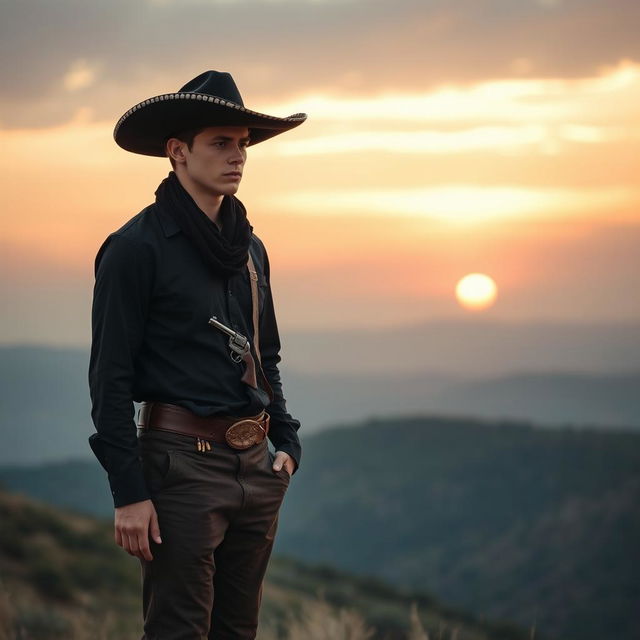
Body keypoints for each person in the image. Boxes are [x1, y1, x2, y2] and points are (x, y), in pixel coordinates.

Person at [88, 70, 307, 640]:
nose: (237, 156)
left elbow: (267, 355)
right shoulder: (134, 249)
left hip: (256, 465)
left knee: (238, 631)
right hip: (179, 464)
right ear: (178, 152)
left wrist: (286, 442)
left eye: (242, 144)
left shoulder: (250, 247)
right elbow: (108, 379)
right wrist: (130, 493)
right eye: (220, 142)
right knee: (179, 630)